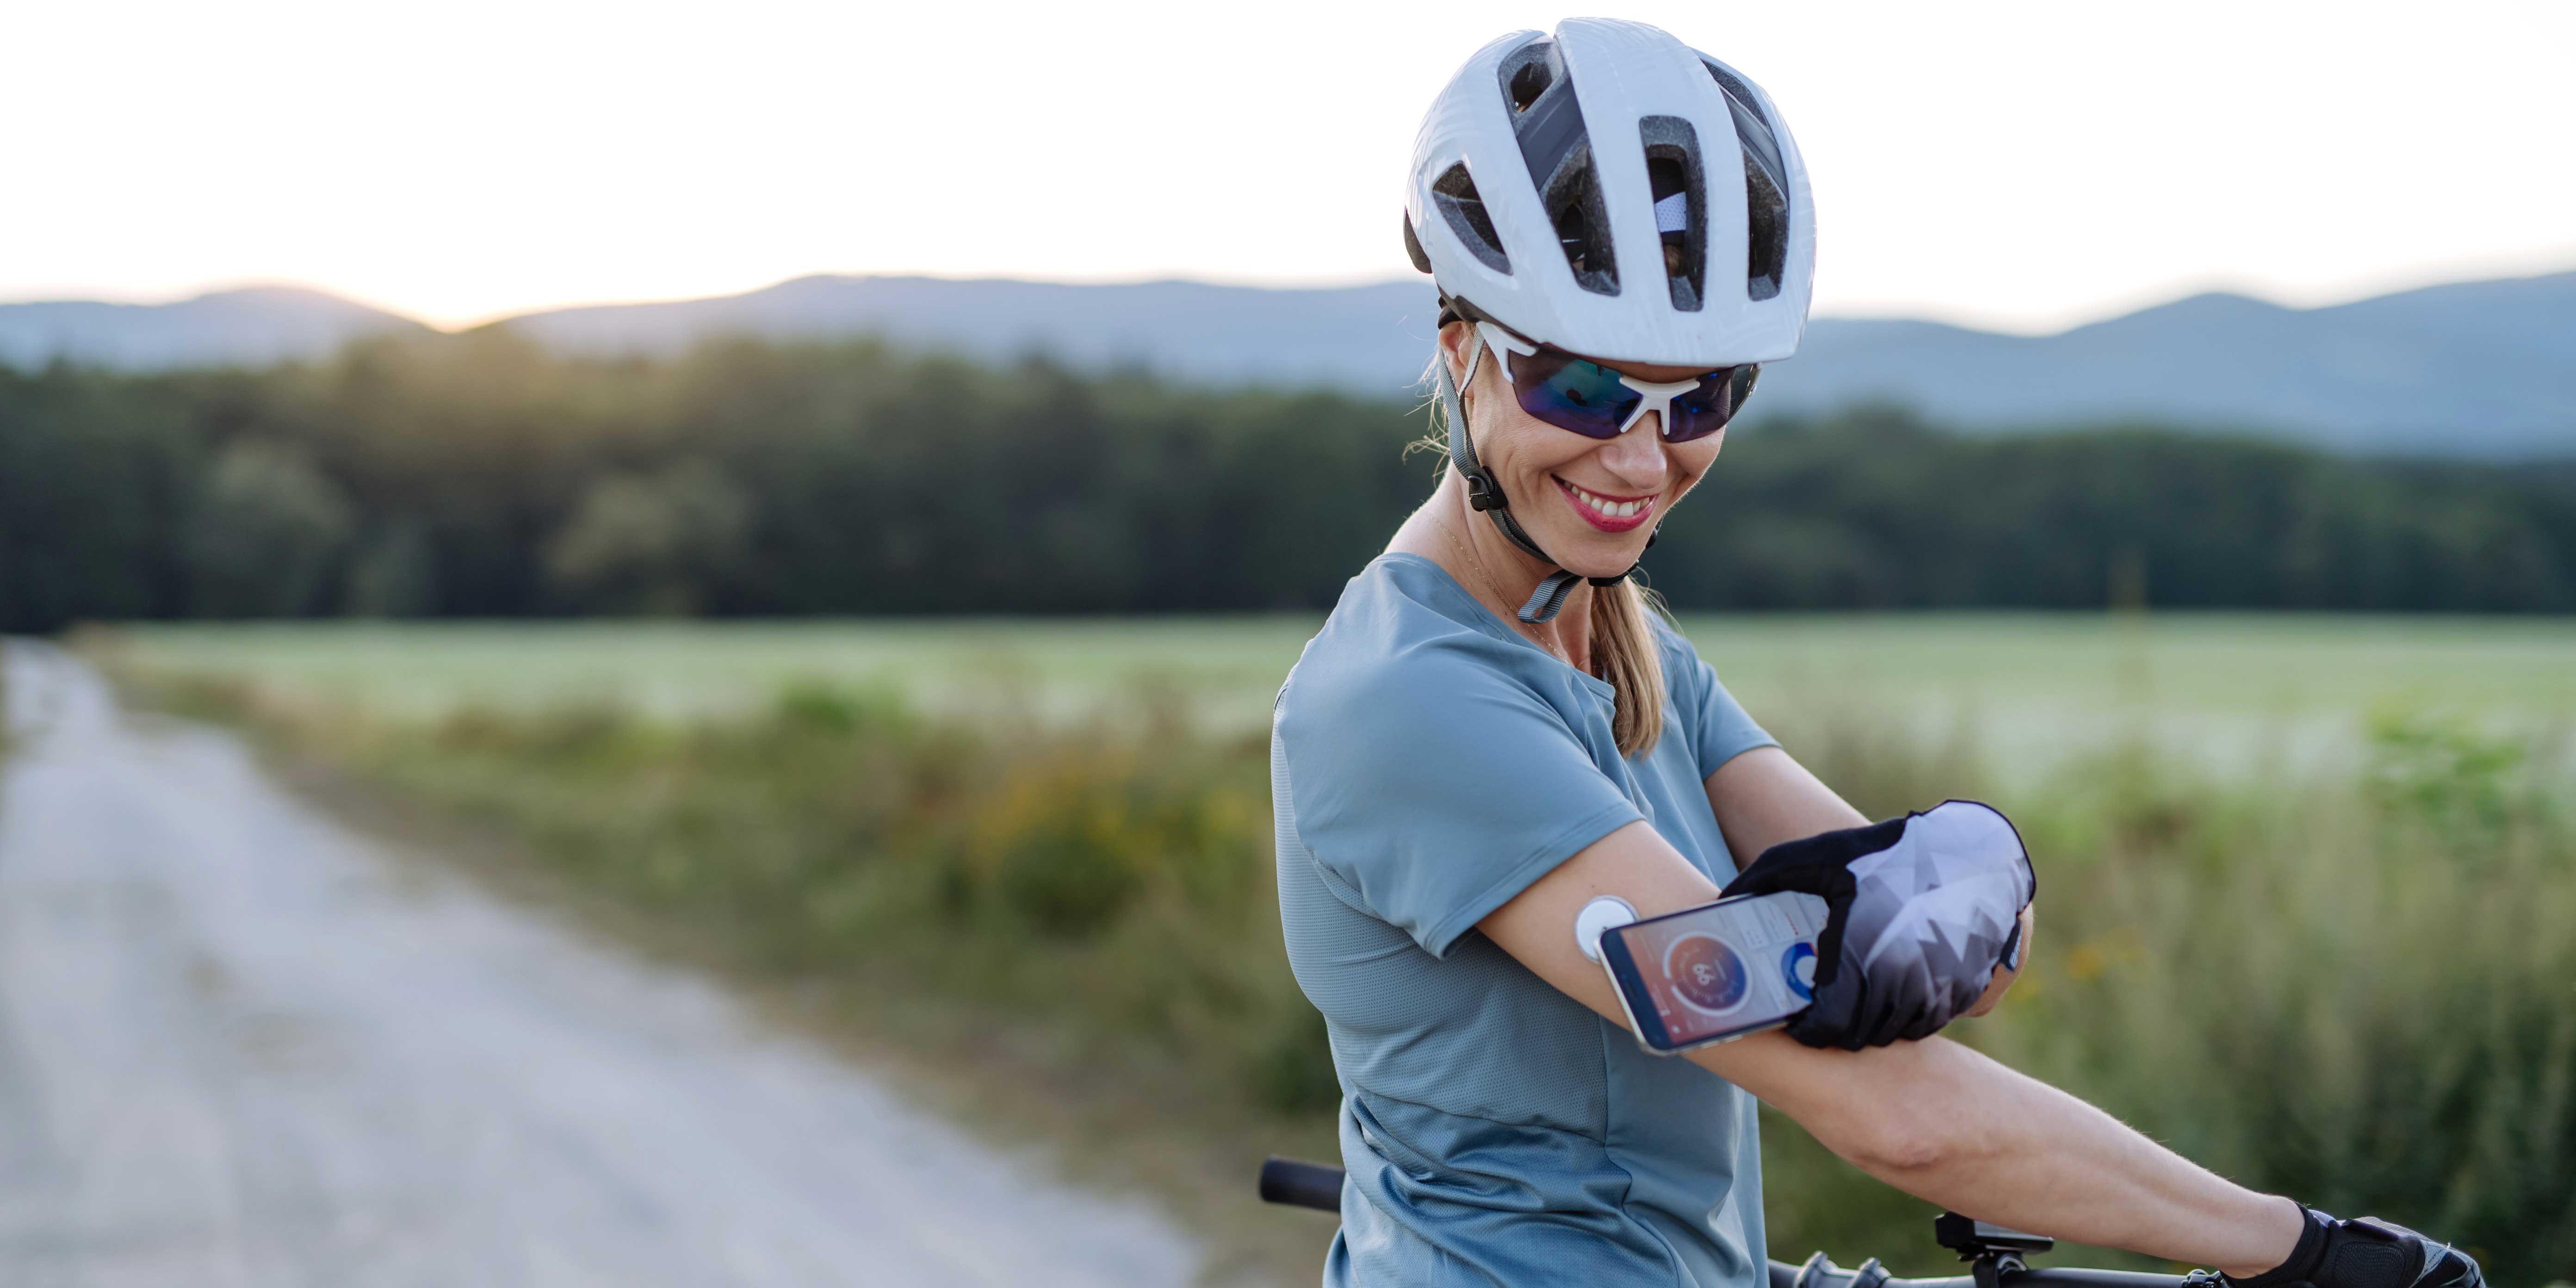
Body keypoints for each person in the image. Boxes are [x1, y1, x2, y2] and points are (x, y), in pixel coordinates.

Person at [1268, 19, 2481, 1288]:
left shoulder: (1627, 647)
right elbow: (1891, 1107)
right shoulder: (1411, 706)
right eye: (1579, 389)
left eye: (1699, 399)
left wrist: (1889, 920)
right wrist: (2305, 1253)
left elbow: (1958, 960)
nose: (1639, 460)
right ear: (1462, 349)